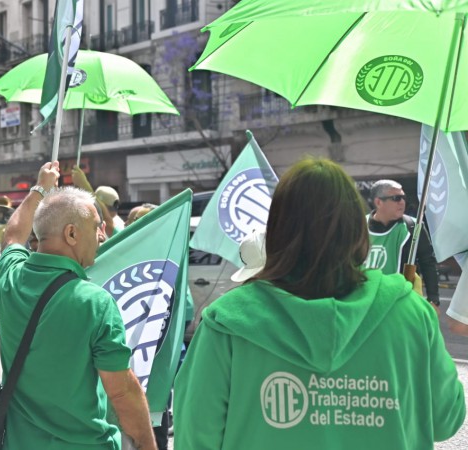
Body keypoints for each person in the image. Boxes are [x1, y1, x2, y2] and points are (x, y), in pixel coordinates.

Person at [174, 158, 465, 450]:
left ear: (277, 229)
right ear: (357, 229)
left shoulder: (227, 323)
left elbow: (195, 438)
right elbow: (446, 418)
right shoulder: (411, 313)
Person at [0, 161, 157, 450]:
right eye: (97, 227)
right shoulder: (96, 303)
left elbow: (12, 235)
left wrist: (39, 188)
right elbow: (121, 393)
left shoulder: (9, 279)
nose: (103, 236)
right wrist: (147, 444)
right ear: (71, 234)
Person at [366, 179, 440, 307]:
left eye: (403, 197)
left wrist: (433, 299)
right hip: (365, 301)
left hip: (401, 303)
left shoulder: (413, 226)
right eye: (396, 198)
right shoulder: (358, 226)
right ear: (378, 202)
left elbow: (428, 263)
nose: (402, 202)